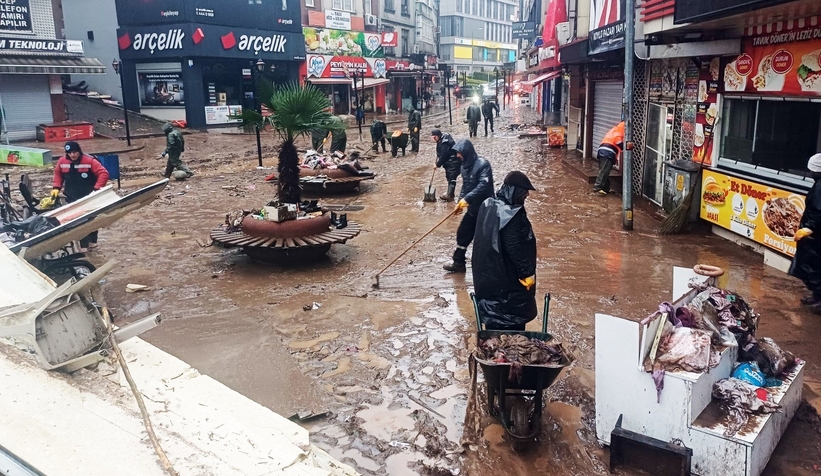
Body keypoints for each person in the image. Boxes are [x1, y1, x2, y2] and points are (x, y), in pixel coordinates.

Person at [472, 171, 537, 330]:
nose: (527, 194)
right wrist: (526, 273)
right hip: (507, 280)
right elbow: (514, 247)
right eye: (524, 191)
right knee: (511, 328)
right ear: (514, 191)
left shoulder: (488, 205)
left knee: (493, 324)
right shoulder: (511, 214)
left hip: (487, 279)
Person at [444, 139, 494, 273]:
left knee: (484, 239)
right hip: (473, 208)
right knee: (463, 233)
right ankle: (459, 262)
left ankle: (487, 267)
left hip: (486, 209)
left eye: (459, 153)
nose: (457, 156)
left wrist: (467, 198)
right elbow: (465, 186)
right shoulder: (464, 166)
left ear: (466, 152)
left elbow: (483, 185)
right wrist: (460, 202)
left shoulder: (483, 164)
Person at [52, 141, 109, 251]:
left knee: (92, 219)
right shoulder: (62, 162)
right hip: (71, 197)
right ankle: (83, 245)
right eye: (69, 153)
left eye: (74, 152)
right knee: (78, 221)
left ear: (79, 151)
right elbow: (58, 174)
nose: (72, 155)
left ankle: (93, 242)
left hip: (89, 196)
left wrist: (97, 189)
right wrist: (56, 188)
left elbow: (103, 173)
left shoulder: (90, 161)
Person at [790, 154, 821, 312]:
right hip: (815, 235)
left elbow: (818, 211)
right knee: (811, 265)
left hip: (816, 235)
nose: (809, 172)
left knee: (814, 266)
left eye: (812, 170)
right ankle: (817, 296)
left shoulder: (820, 186)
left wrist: (808, 227)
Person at [594, 121, 624, 196]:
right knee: (604, 171)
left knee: (605, 171)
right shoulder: (618, 132)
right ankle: (597, 188)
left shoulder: (615, 130)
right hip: (608, 152)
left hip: (603, 150)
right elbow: (618, 142)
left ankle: (605, 188)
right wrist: (626, 148)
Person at [431, 129, 459, 201]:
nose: (434, 139)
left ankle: (450, 195)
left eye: (434, 137)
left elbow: (444, 155)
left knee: (451, 177)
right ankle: (450, 194)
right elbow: (440, 152)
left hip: (453, 161)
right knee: (449, 177)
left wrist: (437, 164)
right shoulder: (441, 140)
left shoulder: (445, 143)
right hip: (449, 162)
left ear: (438, 136)